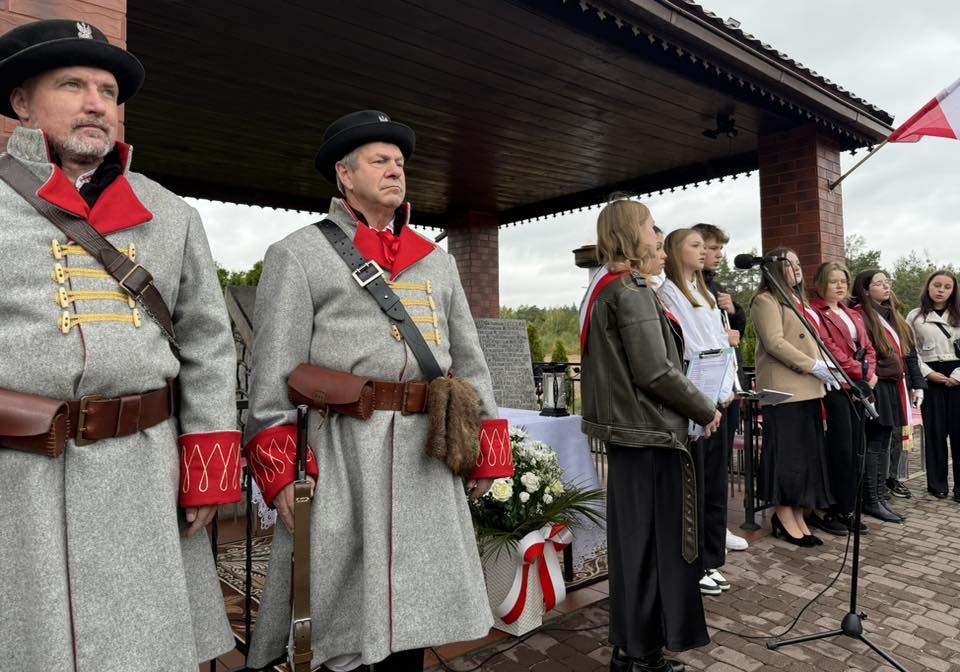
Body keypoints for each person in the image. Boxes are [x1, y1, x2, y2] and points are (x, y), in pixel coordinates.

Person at [0, 19, 241, 671]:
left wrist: (210, 466)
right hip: (17, 475)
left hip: (145, 469)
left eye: (107, 89)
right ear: (22, 102)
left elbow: (209, 345)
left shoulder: (172, 213)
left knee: (148, 648)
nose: (96, 103)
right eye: (72, 84)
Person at [243, 110, 514, 672]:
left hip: (428, 451)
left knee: (416, 608)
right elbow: (270, 377)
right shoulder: (298, 254)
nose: (395, 170)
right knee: (337, 614)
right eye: (379, 160)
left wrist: (487, 451)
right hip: (343, 449)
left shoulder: (436, 263)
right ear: (345, 175)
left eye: (399, 161)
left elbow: (469, 361)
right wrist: (281, 477)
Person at [580, 198, 721, 672]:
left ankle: (632, 646)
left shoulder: (608, 286)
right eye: (649, 227)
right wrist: (704, 408)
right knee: (650, 547)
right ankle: (642, 655)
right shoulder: (632, 289)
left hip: (634, 433)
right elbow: (656, 372)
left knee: (636, 545)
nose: (658, 235)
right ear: (629, 233)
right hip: (649, 432)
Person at [658, 228, 736, 595]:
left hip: (719, 391)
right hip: (700, 395)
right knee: (697, 486)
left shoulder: (705, 291)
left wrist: (729, 385)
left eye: (706, 246)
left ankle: (711, 556)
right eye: (696, 245)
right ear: (676, 251)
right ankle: (696, 562)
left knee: (714, 485)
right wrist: (710, 396)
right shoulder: (671, 292)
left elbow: (722, 342)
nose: (705, 251)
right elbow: (694, 346)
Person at [749, 248, 834, 546]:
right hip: (783, 389)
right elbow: (774, 342)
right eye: (789, 263)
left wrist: (826, 366)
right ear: (773, 267)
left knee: (806, 456)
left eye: (799, 263)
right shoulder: (766, 300)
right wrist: (813, 365)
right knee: (787, 455)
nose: (797, 268)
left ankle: (798, 511)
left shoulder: (799, 301)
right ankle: (783, 513)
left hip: (809, 387)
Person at [691, 222, 749, 553]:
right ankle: (704, 534)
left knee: (721, 465)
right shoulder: (690, 288)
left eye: (718, 250)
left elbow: (736, 333)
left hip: (729, 389)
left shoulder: (719, 289)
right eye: (710, 248)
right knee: (706, 469)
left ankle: (717, 527)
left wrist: (736, 312)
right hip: (707, 391)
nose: (715, 255)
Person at [850, 269, 925, 522]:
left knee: (885, 442)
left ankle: (880, 494)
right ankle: (871, 499)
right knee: (874, 443)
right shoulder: (861, 315)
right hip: (877, 385)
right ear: (865, 289)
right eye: (878, 283)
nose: (886, 286)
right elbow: (864, 353)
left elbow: (909, 353)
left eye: (887, 282)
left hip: (894, 386)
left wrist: (918, 384)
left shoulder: (893, 315)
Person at [809, 261, 877, 534]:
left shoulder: (854, 314)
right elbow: (829, 348)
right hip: (837, 387)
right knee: (841, 450)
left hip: (859, 387)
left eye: (843, 281)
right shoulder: (816, 312)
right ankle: (833, 509)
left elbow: (868, 348)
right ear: (821, 284)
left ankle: (849, 507)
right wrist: (859, 373)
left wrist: (870, 374)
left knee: (857, 448)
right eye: (833, 281)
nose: (839, 286)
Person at [907, 270, 960, 499]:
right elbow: (911, 351)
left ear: (953, 291)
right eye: (937, 285)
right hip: (931, 376)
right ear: (928, 286)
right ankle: (937, 484)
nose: (941, 290)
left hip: (958, 376)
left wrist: (957, 375)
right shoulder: (915, 316)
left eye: (947, 287)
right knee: (935, 433)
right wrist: (928, 374)